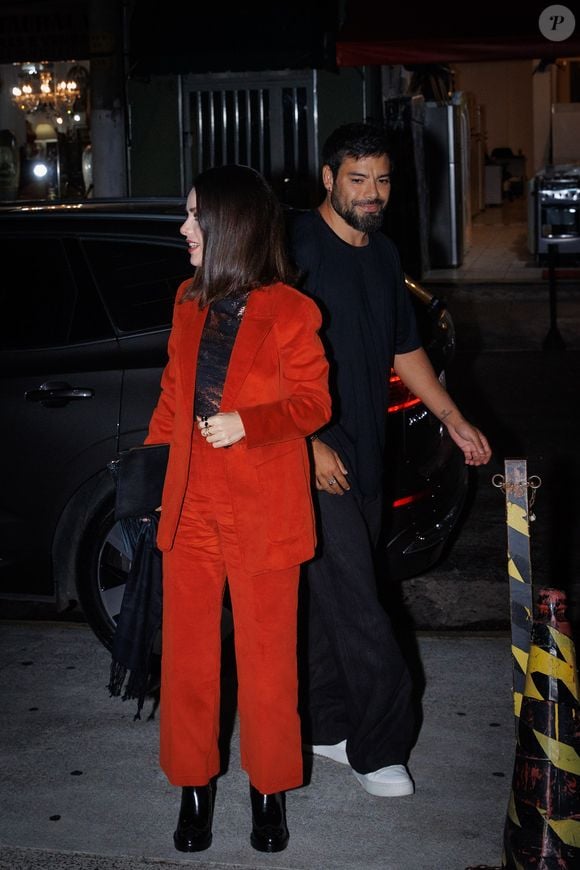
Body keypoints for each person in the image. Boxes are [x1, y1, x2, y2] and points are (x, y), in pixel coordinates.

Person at [287, 122, 492, 798]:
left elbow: (407, 351)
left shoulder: (382, 254)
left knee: (328, 601)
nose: (372, 194)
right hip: (312, 450)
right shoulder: (292, 248)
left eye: (381, 180)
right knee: (363, 603)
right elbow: (258, 359)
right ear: (327, 177)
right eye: (357, 180)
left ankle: (324, 726)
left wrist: (456, 420)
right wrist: (307, 441)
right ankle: (380, 747)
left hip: (369, 450)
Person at [144, 164, 331, 853]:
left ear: (232, 226)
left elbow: (315, 404)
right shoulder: (187, 302)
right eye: (187, 216)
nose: (184, 228)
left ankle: (268, 793)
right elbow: (171, 396)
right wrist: (150, 484)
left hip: (263, 511)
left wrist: (250, 422)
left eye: (195, 216)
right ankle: (195, 792)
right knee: (188, 664)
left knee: (267, 665)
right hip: (191, 507)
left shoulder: (290, 310)